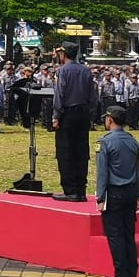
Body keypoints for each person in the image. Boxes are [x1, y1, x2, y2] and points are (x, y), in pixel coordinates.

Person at [96, 104, 139, 277]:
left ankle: (121, 275)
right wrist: (138, 194)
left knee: (115, 235)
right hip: (131, 191)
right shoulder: (133, 141)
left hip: (114, 192)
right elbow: (137, 170)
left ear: (109, 120)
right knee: (129, 234)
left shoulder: (105, 142)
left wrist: (100, 197)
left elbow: (102, 173)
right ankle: (131, 276)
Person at [50, 43, 94, 201]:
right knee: (82, 152)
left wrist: (56, 116)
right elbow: (93, 95)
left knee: (65, 151)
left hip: (67, 113)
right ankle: (81, 190)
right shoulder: (86, 70)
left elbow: (59, 94)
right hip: (83, 112)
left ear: (64, 54)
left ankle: (70, 190)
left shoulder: (63, 71)